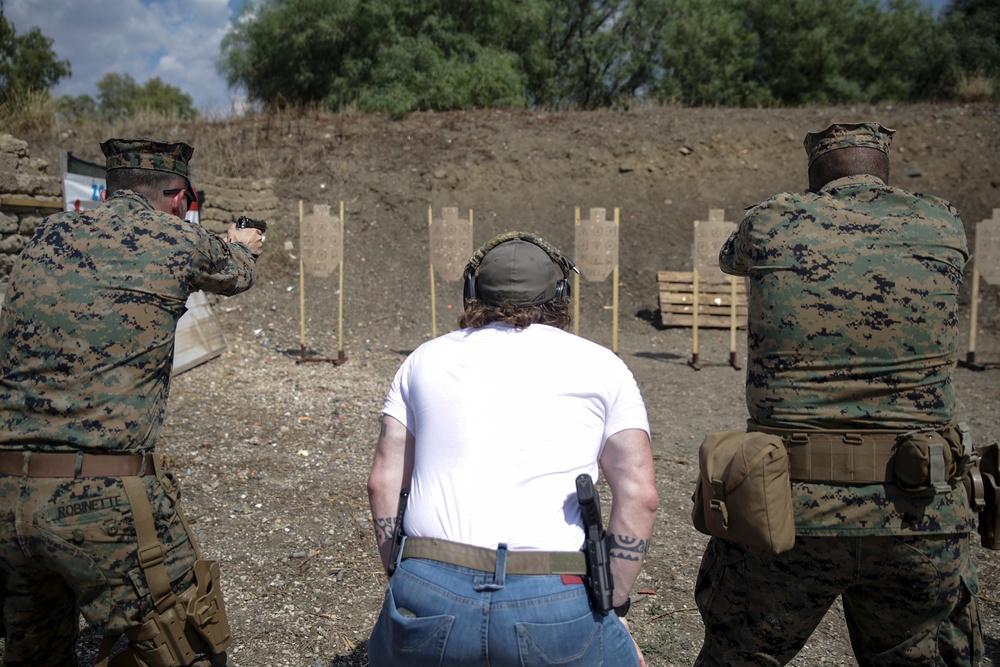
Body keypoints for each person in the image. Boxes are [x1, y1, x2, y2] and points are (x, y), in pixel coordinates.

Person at [695, 122, 982, 666]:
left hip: (783, 507)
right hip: (918, 509)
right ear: (884, 168)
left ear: (815, 173)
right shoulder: (941, 220)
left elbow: (731, 257)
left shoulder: (773, 220)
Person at [0, 138, 265, 667]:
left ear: (107, 190)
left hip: (6, 494)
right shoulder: (176, 238)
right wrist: (240, 241)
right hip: (103, 499)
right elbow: (238, 271)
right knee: (185, 642)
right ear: (176, 198)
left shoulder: (46, 233)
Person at [366, 231, 659, 666]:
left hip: (429, 582)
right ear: (561, 294)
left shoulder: (423, 359)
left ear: (472, 293)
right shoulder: (604, 366)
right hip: (552, 590)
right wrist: (611, 602)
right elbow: (640, 495)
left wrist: (403, 575)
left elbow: (383, 481)